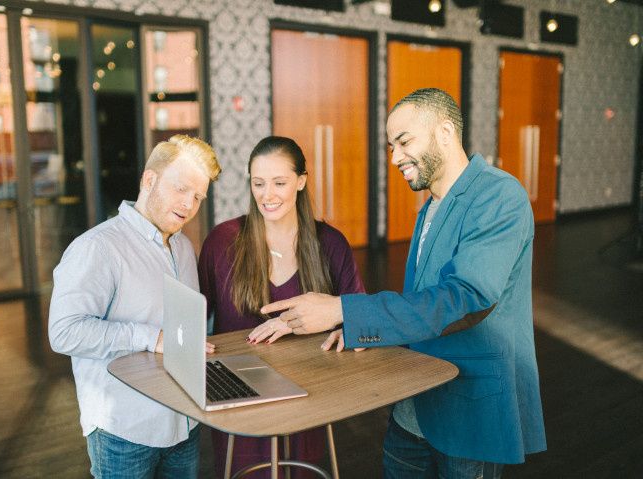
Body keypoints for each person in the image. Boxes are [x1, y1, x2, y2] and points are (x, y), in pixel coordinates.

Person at [257, 89, 547, 477]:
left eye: (404, 141)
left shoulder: (499, 195)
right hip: (413, 403)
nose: (394, 157)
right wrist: (355, 326)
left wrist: (343, 308)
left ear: (445, 132)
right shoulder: (430, 206)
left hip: (467, 407)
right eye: (391, 145)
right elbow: (422, 303)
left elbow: (467, 298)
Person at [48, 135, 221, 479]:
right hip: (125, 431)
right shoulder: (96, 248)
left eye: (198, 196)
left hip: (184, 422)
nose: (189, 204)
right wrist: (152, 337)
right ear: (149, 179)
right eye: (181, 188)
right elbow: (64, 333)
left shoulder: (184, 247)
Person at [198, 136, 365, 478]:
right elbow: (194, 317)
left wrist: (336, 326)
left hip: (309, 391)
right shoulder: (221, 241)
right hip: (238, 394)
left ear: (301, 181)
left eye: (279, 182)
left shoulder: (330, 243)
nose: (267, 194)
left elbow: (359, 315)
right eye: (258, 183)